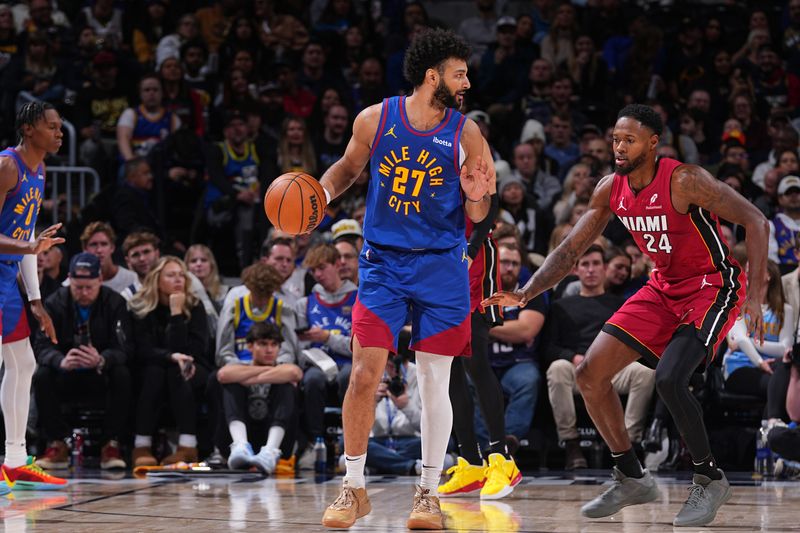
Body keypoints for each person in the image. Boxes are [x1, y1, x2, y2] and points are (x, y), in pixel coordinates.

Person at [483, 104, 769, 527]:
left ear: (652, 143)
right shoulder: (609, 188)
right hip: (663, 287)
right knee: (589, 375)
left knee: (671, 378)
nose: (618, 146)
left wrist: (757, 296)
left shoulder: (684, 180)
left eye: (629, 139)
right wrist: (527, 291)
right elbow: (569, 251)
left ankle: (709, 478)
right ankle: (631, 474)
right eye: (615, 139)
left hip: (713, 285)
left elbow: (756, 219)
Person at [319, 29, 493, 530]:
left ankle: (428, 492)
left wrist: (477, 196)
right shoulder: (376, 118)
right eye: (459, 73)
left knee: (433, 380)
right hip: (384, 264)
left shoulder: (468, 132)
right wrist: (320, 195)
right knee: (363, 374)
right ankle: (353, 488)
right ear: (432, 75)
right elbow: (348, 168)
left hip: (441, 266)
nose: (466, 82)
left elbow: (479, 211)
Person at [0, 102, 68, 491]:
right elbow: (29, 245)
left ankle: (14, 461)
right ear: (28, 129)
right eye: (51, 127)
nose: (59, 133)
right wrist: (30, 249)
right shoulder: (7, 166)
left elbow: (27, 239)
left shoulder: (39, 169)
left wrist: (37, 300)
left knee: (24, 364)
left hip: (8, 279)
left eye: (61, 128)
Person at [545, 245, 654, 470]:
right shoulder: (561, 306)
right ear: (576, 270)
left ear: (605, 269)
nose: (591, 270)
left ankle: (630, 445)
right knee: (556, 368)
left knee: (644, 372)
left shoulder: (619, 304)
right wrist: (573, 357)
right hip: (576, 368)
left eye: (596, 264)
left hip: (613, 368)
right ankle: (571, 444)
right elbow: (548, 347)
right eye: (585, 265)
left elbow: (633, 342)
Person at [33, 253, 133, 471]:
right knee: (42, 375)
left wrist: (102, 359)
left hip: (100, 374)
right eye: (78, 287)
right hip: (66, 374)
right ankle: (57, 444)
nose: (84, 293)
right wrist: (60, 360)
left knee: (122, 374)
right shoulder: (54, 302)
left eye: (89, 287)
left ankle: (111, 443)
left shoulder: (115, 302)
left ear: (100, 280)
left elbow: (124, 348)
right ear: (69, 278)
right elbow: (41, 347)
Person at [129, 256, 211, 467]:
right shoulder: (142, 307)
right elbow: (141, 349)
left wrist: (176, 314)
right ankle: (142, 446)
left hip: (193, 365)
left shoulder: (194, 305)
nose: (178, 280)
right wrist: (169, 356)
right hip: (154, 367)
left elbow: (195, 349)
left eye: (181, 275)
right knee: (156, 370)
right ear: (156, 280)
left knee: (177, 371)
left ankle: (187, 447)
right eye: (171, 275)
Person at [219, 322, 302, 474]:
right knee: (231, 386)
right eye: (263, 344)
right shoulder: (241, 365)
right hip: (248, 433)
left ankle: (271, 450)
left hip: (276, 440)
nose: (269, 350)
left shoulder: (283, 367)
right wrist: (266, 370)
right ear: (250, 346)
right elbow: (223, 375)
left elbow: (295, 373)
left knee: (287, 387)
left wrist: (250, 378)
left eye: (274, 344)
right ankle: (240, 445)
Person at [296, 244, 357, 447]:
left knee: (347, 376)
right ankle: (315, 441)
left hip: (348, 362)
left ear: (337, 265)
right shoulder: (305, 303)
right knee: (312, 379)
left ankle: (350, 438)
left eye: (322, 267)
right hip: (317, 362)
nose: (318, 274)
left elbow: (357, 347)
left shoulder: (357, 299)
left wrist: (326, 337)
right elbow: (299, 349)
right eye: (313, 270)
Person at [724, 260, 793, 400]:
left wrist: (749, 342)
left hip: (774, 365)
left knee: (783, 380)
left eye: (753, 269)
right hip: (739, 366)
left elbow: (785, 349)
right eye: (747, 270)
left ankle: (772, 420)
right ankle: (772, 420)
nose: (747, 273)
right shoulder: (740, 304)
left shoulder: (786, 310)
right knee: (776, 384)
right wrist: (760, 363)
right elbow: (740, 339)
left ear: (769, 275)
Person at [69, 222, 138, 294]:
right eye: (93, 244)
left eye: (104, 244)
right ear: (85, 249)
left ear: (112, 247)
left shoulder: (132, 279)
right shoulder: (75, 280)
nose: (99, 250)